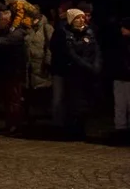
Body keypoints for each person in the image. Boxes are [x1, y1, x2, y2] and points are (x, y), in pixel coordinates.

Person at [62, 9, 102, 139]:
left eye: (82, 17)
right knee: (75, 102)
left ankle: (83, 128)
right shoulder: (67, 34)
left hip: (88, 74)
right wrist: (86, 66)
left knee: (86, 102)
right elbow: (71, 53)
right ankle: (73, 129)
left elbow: (96, 50)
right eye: (78, 18)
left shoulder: (89, 32)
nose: (81, 20)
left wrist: (95, 66)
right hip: (75, 73)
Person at [0, 5, 28, 135]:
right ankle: (10, 124)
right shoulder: (7, 31)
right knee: (7, 99)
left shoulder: (16, 32)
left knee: (14, 99)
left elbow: (2, 42)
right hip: (7, 71)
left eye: (1, 19)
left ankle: (15, 125)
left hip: (14, 72)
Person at [23, 13, 54, 125]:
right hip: (31, 65)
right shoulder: (29, 28)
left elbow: (51, 45)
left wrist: (48, 60)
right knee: (32, 91)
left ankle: (44, 117)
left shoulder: (47, 27)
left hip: (42, 65)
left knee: (43, 90)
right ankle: (32, 116)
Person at [113, 19, 130, 141]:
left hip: (124, 76)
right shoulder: (120, 41)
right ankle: (120, 127)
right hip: (120, 75)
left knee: (124, 103)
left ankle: (121, 127)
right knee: (120, 103)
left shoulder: (121, 42)